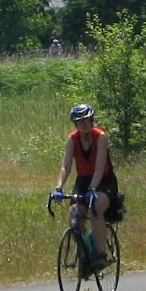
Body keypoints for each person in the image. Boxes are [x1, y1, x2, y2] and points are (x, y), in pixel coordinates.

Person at [51, 103, 117, 274]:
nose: (83, 124)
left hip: (104, 180)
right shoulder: (72, 139)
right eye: (80, 122)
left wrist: (93, 189)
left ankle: (101, 255)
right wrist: (58, 188)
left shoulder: (100, 137)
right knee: (74, 214)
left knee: (95, 208)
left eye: (86, 120)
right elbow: (66, 166)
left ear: (91, 120)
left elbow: (100, 167)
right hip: (83, 180)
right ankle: (85, 257)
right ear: (75, 124)